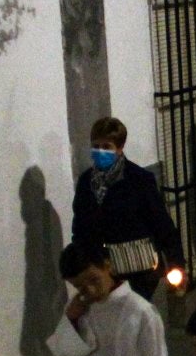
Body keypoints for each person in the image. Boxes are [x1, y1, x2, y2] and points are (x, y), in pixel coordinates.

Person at [70, 116, 187, 300]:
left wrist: (176, 263)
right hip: (105, 271)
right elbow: (80, 226)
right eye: (96, 146)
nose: (100, 152)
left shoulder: (139, 179)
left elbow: (161, 224)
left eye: (106, 147)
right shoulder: (86, 182)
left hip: (138, 271)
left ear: (119, 148)